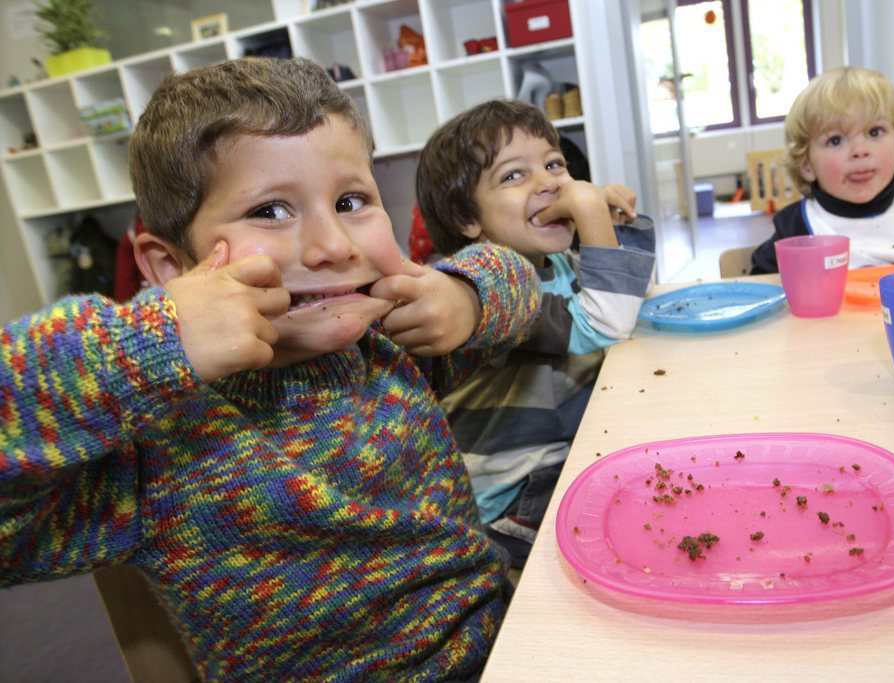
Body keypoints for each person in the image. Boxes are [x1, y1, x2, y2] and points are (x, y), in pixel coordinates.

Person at [0, 57, 542, 682]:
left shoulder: (390, 347)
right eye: (270, 211)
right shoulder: (154, 447)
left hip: (503, 643)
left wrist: (464, 296)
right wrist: (147, 344)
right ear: (172, 269)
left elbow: (516, 279)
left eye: (350, 200)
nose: (334, 245)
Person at [416, 99, 656, 568]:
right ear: (468, 219)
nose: (551, 183)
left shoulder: (556, 264)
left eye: (554, 164)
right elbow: (608, 321)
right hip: (513, 499)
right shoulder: (489, 284)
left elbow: (637, 292)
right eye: (513, 175)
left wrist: (611, 225)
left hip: (571, 450)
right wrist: (588, 209)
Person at [751, 66, 894, 274]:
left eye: (875, 132)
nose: (859, 151)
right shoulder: (794, 230)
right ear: (806, 165)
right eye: (835, 140)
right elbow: (759, 289)